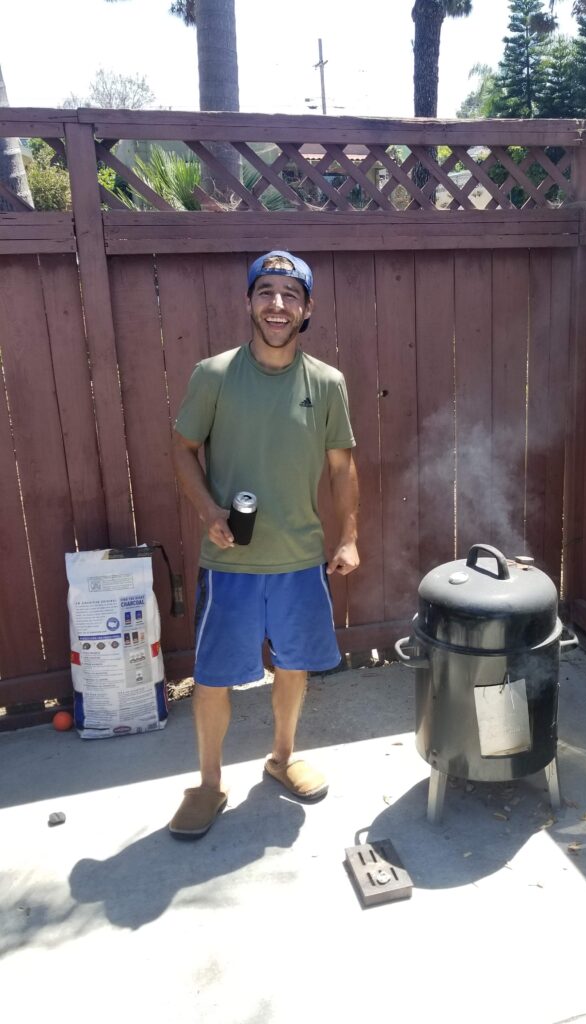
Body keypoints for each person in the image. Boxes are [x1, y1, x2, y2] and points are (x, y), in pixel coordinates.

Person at [169, 250, 359, 839]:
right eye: (266, 291)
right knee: (213, 676)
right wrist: (208, 510)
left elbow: (342, 466)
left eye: (290, 294)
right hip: (230, 562)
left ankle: (281, 756)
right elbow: (182, 450)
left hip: (300, 558)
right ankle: (207, 785)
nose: (278, 304)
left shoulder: (327, 383)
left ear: (307, 308)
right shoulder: (215, 375)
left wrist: (350, 537)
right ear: (249, 301)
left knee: (294, 665)